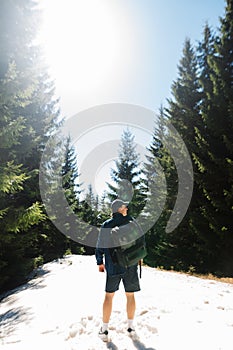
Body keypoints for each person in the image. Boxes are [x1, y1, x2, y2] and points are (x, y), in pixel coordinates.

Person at [95, 199, 141, 341]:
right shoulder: (132, 222)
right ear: (119, 209)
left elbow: (100, 246)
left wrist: (100, 262)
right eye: (124, 206)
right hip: (130, 264)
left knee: (109, 296)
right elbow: (141, 241)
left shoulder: (107, 225)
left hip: (113, 266)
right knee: (130, 296)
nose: (126, 208)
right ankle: (131, 327)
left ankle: (104, 330)